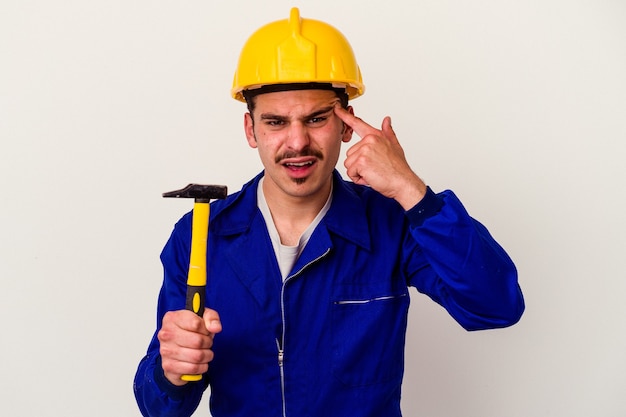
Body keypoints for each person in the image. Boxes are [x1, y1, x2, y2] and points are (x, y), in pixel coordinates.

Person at [134, 7, 524, 417]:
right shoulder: (201, 236)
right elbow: (158, 408)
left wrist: (411, 189)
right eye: (276, 122)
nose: (297, 142)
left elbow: (495, 306)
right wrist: (171, 372)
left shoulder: (391, 222)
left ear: (346, 125)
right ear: (251, 130)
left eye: (316, 118)